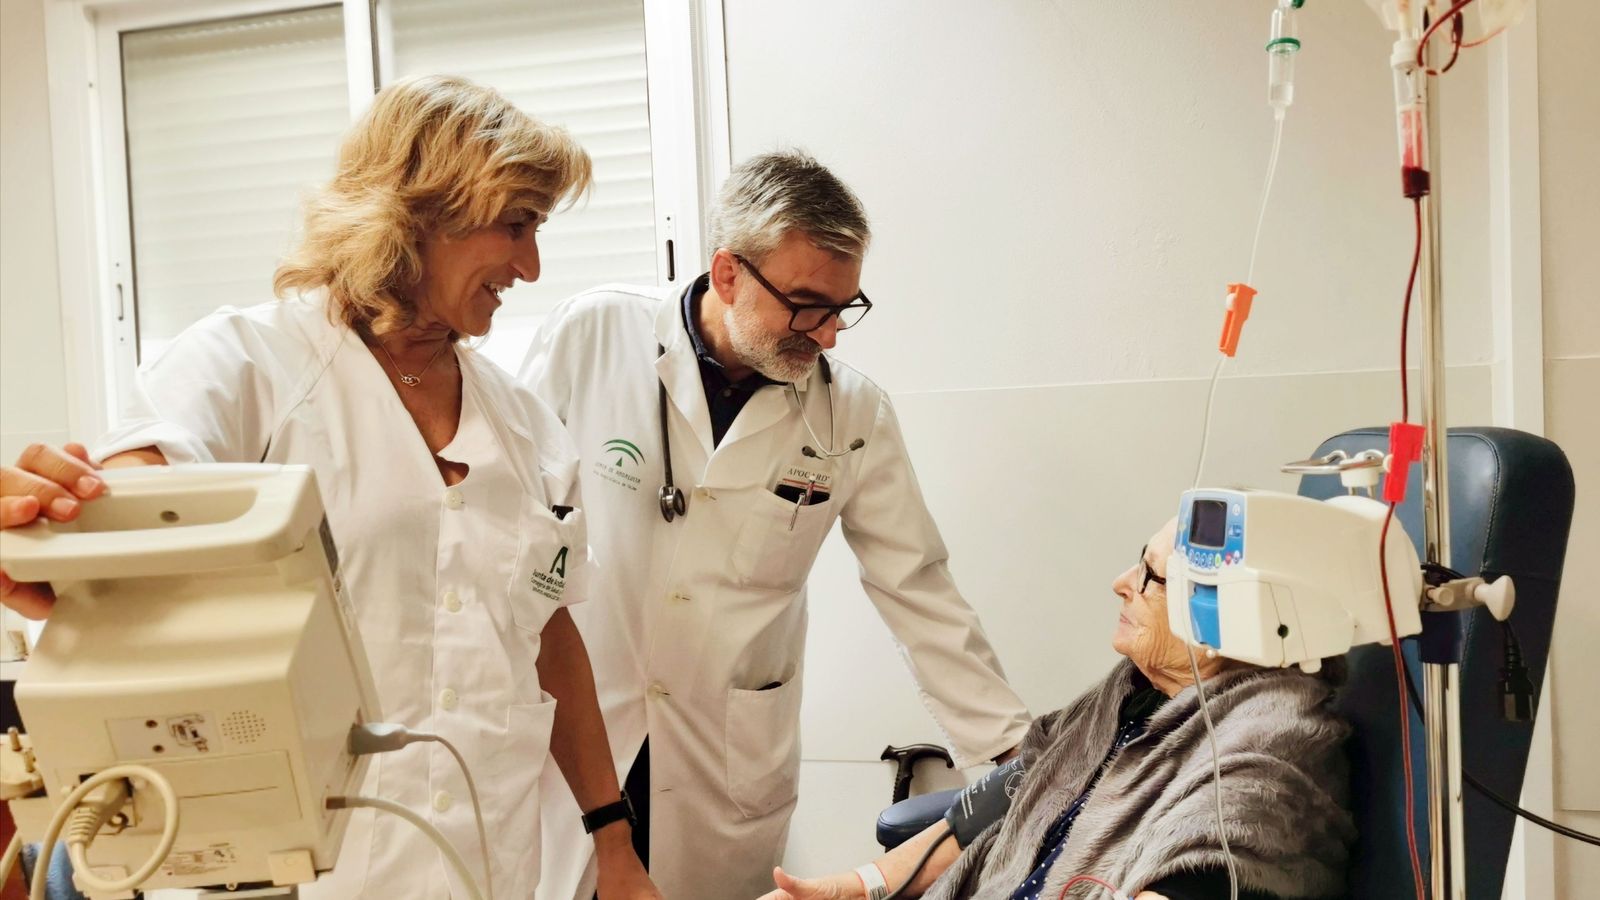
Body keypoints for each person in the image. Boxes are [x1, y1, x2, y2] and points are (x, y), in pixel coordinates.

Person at [0, 75, 658, 900]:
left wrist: (612, 841)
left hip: (485, 857)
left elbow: (550, 635)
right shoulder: (248, 364)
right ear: (423, 212)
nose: (530, 265)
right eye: (516, 225)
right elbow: (128, 514)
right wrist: (64, 533)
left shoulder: (525, 424)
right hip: (294, 867)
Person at [519, 151, 1032, 900]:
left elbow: (919, 591)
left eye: (843, 308)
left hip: (720, 763)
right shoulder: (593, 334)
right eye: (806, 303)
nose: (827, 336)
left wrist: (1018, 758)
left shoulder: (852, 415)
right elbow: (514, 528)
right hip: (582, 737)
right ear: (728, 273)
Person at [758, 517, 1356, 900]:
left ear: (1227, 621)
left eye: (1150, 576)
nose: (1121, 582)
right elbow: (994, 808)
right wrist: (851, 889)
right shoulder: (1133, 693)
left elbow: (1206, 868)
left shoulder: (1269, 749)